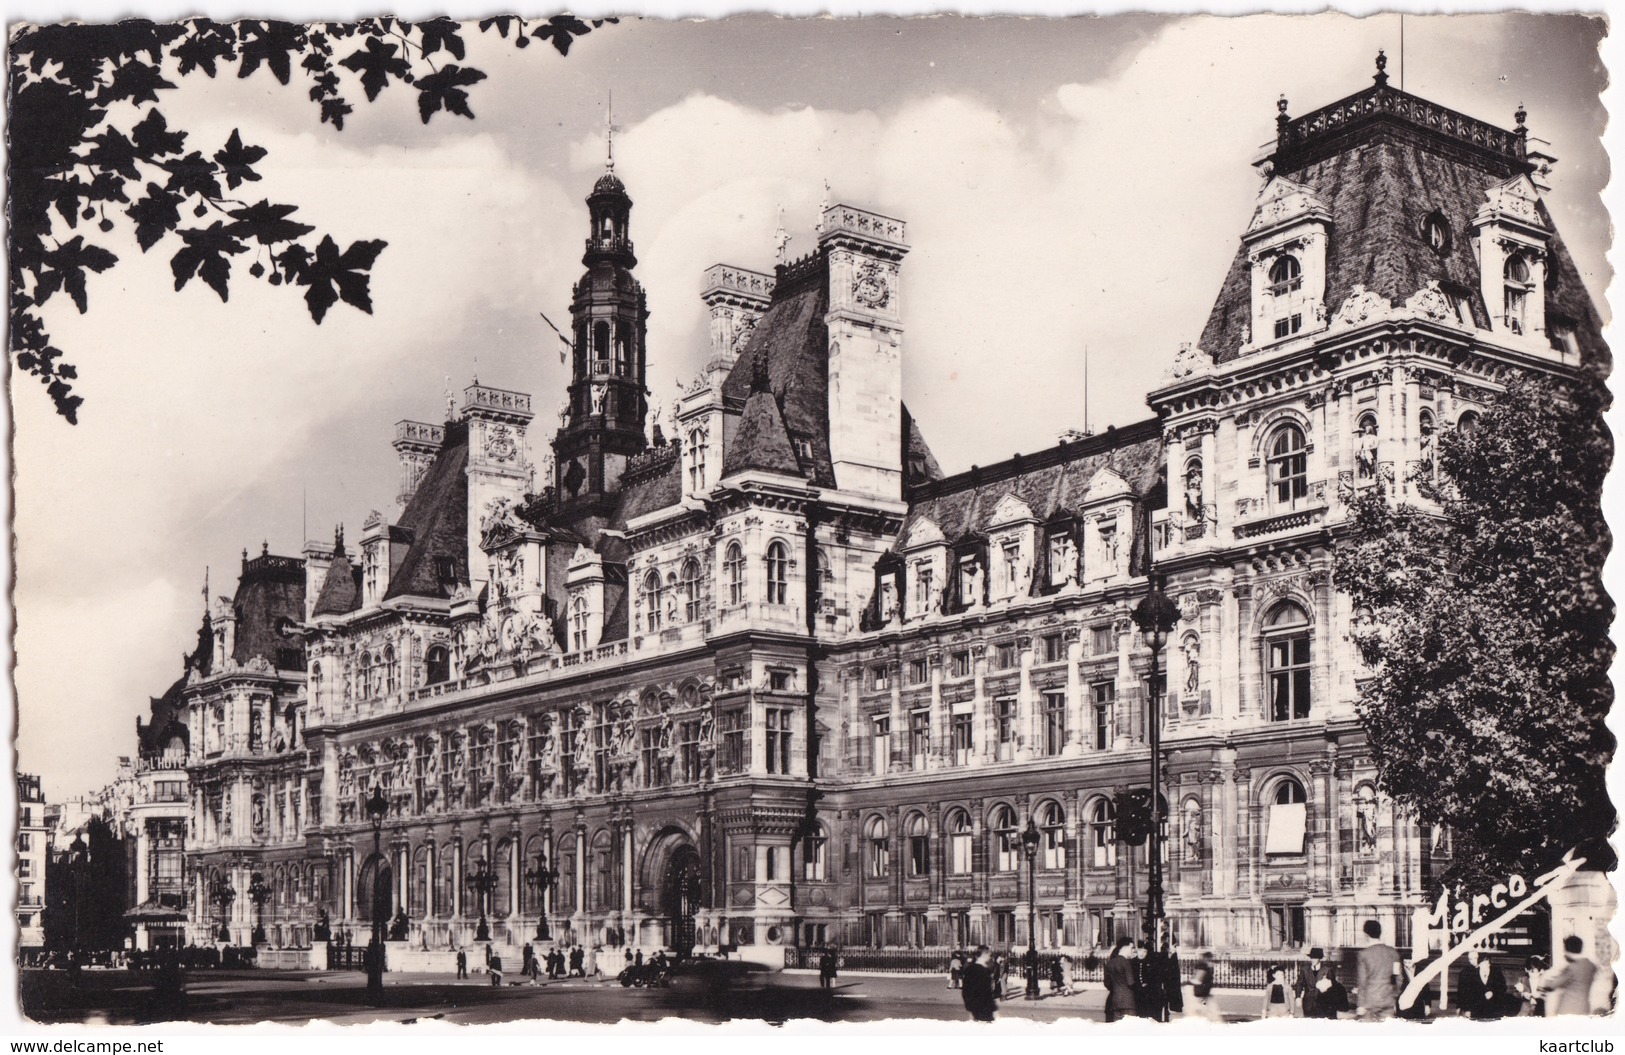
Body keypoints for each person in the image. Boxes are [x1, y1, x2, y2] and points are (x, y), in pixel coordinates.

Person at [1538, 936, 1598, 1016]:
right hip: (1585, 1008)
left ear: (1567, 949)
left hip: (1569, 1009)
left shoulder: (1572, 967)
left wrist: (1544, 979)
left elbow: (1553, 985)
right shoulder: (1591, 965)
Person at [1355, 919, 1400, 1021]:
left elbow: (1362, 982)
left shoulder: (1363, 954)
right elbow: (1398, 977)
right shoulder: (1393, 953)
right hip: (1388, 999)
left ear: (1366, 935)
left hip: (1369, 1001)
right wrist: (1394, 995)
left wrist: (1361, 1004)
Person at [1457, 948, 1511, 1021]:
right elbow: (1467, 994)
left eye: (1487, 964)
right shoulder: (1471, 975)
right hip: (1477, 1010)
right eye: (1482, 964)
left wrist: (1493, 992)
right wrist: (1467, 1009)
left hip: (1495, 1009)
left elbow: (1503, 987)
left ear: (1489, 964)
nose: (1485, 967)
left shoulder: (1496, 972)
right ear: (1479, 965)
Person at [1104, 937, 1140, 1023]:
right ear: (1124, 947)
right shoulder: (1126, 962)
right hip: (1129, 1003)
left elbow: (1107, 983)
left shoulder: (1110, 962)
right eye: (1132, 947)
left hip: (1115, 1002)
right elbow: (1131, 982)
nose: (1133, 950)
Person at [961, 945, 998, 1022]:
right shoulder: (976, 970)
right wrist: (973, 1009)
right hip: (980, 1009)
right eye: (989, 955)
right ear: (984, 954)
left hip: (983, 1009)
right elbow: (968, 991)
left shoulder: (982, 969)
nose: (990, 957)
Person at [1185, 950, 1223, 1022]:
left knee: (1208, 1011)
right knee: (1206, 1011)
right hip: (1200, 993)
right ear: (1206, 958)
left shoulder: (1206, 966)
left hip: (1203, 993)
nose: (1211, 960)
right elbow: (1198, 980)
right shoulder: (1203, 966)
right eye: (1210, 958)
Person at [1295, 947, 1331, 1018]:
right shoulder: (1305, 969)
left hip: (1322, 1002)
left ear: (1319, 958)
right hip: (1308, 1002)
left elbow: (1332, 986)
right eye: (1311, 958)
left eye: (1315, 958)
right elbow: (1299, 983)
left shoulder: (1327, 970)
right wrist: (1298, 997)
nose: (1312, 960)